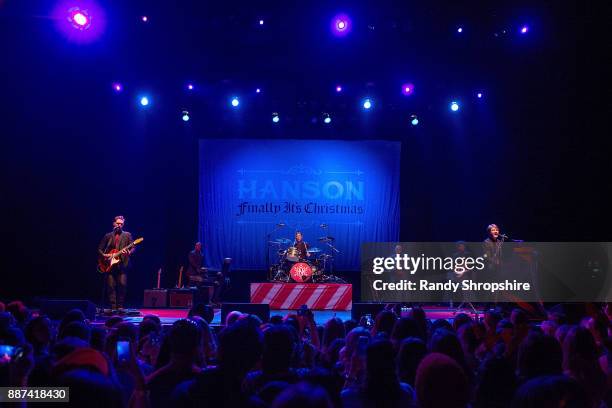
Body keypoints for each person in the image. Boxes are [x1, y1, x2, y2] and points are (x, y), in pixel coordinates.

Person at [98, 215, 135, 310]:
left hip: (123, 264)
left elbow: (133, 247)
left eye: (121, 224)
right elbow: (100, 249)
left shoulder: (127, 235)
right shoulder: (108, 236)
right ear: (114, 223)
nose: (119, 225)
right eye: (118, 223)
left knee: (122, 285)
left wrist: (129, 252)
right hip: (109, 264)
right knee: (110, 286)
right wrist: (106, 256)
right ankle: (113, 307)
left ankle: (120, 306)